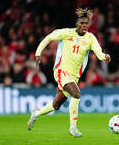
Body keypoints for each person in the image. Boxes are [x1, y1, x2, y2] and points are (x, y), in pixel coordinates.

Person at [27, 8, 111, 138]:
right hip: (61, 71)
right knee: (76, 94)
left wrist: (105, 56)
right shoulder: (66, 33)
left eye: (86, 23)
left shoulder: (90, 38)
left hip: (74, 76)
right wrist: (38, 53)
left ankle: (36, 113)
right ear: (77, 23)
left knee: (56, 105)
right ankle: (73, 127)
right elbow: (48, 38)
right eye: (82, 23)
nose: (84, 26)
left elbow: (99, 53)